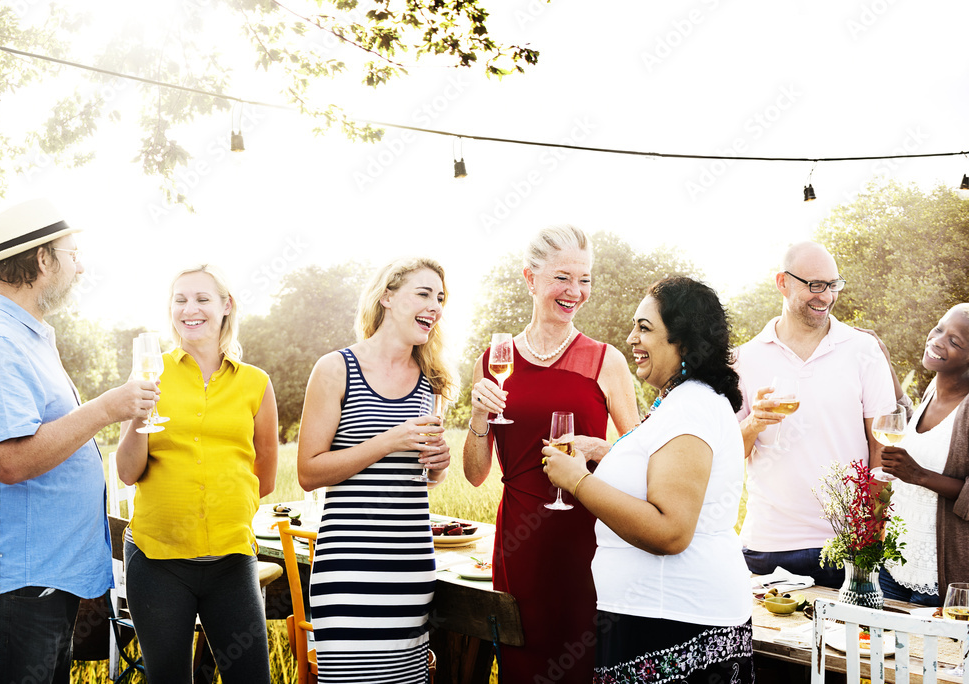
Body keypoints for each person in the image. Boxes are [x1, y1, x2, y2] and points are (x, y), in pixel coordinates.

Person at [0, 198, 157, 684]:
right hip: (18, 584)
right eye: (73, 253)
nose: (81, 265)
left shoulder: (23, 335)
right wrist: (107, 408)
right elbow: (8, 462)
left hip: (38, 578)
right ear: (43, 260)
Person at [543, 276, 753, 684]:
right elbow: (661, 466)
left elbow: (669, 531)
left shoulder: (690, 408)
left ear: (685, 342)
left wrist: (577, 482)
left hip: (674, 623)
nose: (631, 337)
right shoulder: (680, 402)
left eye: (645, 328)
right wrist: (603, 451)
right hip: (656, 616)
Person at [464, 225, 639, 683]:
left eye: (585, 280)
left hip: (588, 540)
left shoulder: (606, 360)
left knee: (583, 665)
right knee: (523, 667)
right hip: (519, 542)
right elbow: (476, 474)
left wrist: (601, 447)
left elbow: (643, 456)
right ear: (530, 278)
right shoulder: (495, 359)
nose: (576, 292)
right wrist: (478, 418)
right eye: (564, 277)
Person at [115, 264, 279, 683]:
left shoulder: (255, 383)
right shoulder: (149, 376)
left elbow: (266, 472)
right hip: (157, 561)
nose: (191, 309)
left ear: (226, 307)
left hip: (231, 559)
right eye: (180, 299)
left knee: (250, 677)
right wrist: (136, 418)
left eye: (202, 299)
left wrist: (223, 510)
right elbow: (127, 472)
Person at [297, 257, 456, 682]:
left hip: (411, 567)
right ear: (387, 296)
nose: (435, 306)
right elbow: (309, 472)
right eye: (423, 294)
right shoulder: (335, 369)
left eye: (440, 298)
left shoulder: (433, 380)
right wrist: (390, 440)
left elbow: (424, 476)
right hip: (349, 570)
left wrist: (439, 465)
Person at [735, 240, 895, 588]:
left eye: (833, 285)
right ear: (782, 282)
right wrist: (753, 423)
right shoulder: (742, 359)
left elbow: (881, 448)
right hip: (767, 546)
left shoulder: (863, 350)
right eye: (815, 285)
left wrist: (871, 536)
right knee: (770, 644)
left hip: (847, 548)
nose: (825, 296)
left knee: (848, 645)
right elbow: (727, 454)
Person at [871, 305, 969, 606]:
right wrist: (886, 364)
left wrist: (919, 476)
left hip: (940, 573)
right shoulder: (932, 392)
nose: (938, 340)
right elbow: (917, 430)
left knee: (921, 654)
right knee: (878, 651)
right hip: (896, 561)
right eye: (940, 329)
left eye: (955, 341)